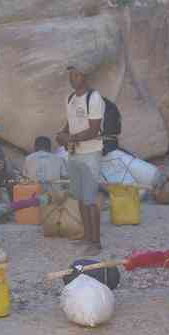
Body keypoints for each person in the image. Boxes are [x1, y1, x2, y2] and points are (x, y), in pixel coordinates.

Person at [56, 66, 104, 253]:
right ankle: (87, 236)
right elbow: (70, 123)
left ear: (85, 76)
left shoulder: (94, 98)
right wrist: (62, 133)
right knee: (81, 197)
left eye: (76, 75)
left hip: (90, 153)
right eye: (70, 74)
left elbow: (93, 130)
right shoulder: (71, 98)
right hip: (74, 153)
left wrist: (71, 138)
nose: (72, 78)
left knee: (90, 199)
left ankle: (96, 243)